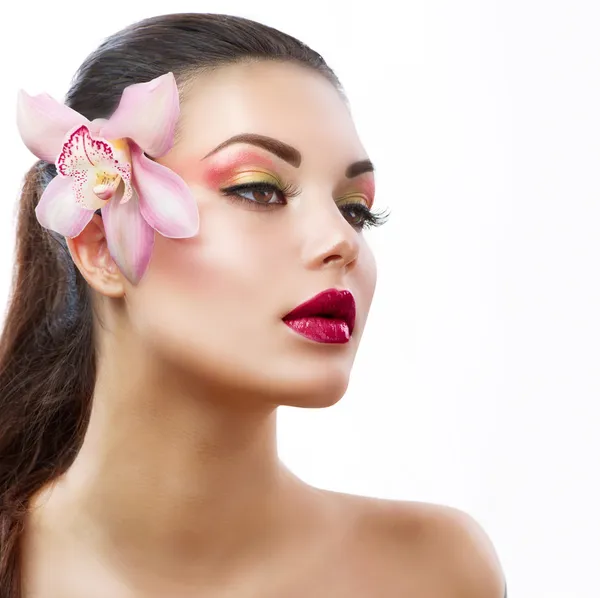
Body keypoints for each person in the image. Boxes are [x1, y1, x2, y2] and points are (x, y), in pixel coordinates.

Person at [0, 12, 506, 598]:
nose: (341, 241)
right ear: (99, 247)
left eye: (355, 209)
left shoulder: (435, 573)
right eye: (259, 188)